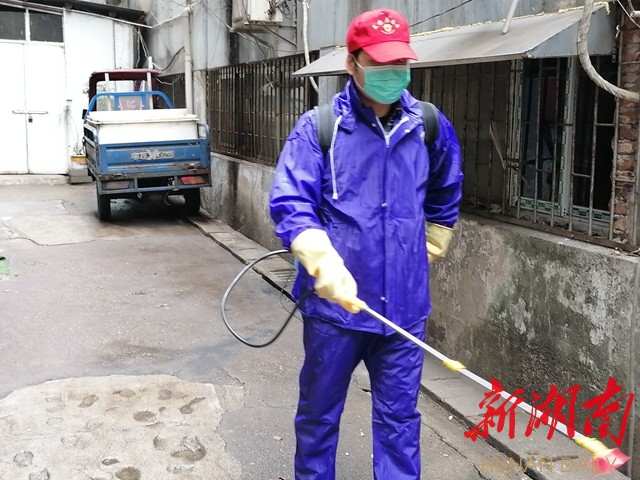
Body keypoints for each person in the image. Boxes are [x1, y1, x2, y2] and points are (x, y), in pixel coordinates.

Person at [269, 8, 463, 480]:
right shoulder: (320, 128)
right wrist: (320, 259)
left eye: (400, 63)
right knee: (319, 414)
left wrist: (434, 236)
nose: (392, 73)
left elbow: (445, 186)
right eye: (380, 63)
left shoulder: (428, 125)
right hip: (335, 311)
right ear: (352, 63)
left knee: (400, 420)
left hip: (404, 310)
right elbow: (292, 200)